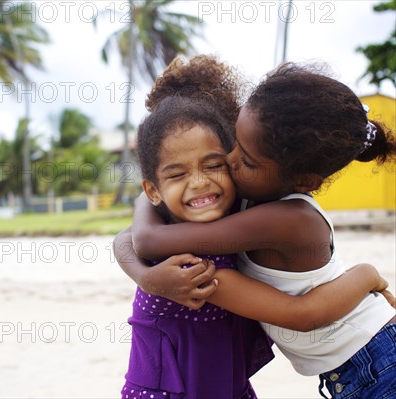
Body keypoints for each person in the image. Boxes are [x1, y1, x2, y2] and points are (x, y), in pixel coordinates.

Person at [116, 60, 396, 399]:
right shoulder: (248, 194)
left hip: (377, 362)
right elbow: (128, 238)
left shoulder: (286, 219)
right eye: (233, 146)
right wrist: (146, 267)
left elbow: (147, 239)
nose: (230, 164)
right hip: (359, 366)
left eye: (243, 160)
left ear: (303, 180)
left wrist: (367, 274)